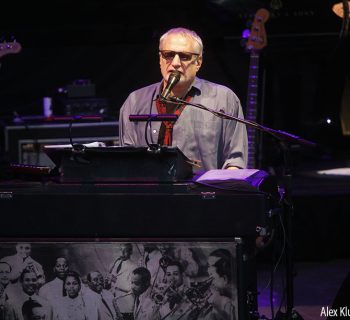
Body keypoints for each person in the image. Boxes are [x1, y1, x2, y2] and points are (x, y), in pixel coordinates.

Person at [119, 27, 248, 171]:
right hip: (149, 192)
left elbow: (235, 162)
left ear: (198, 62)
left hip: (203, 192)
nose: (175, 63)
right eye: (168, 55)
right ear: (160, 59)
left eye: (184, 56)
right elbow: (125, 162)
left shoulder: (224, 99)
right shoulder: (135, 101)